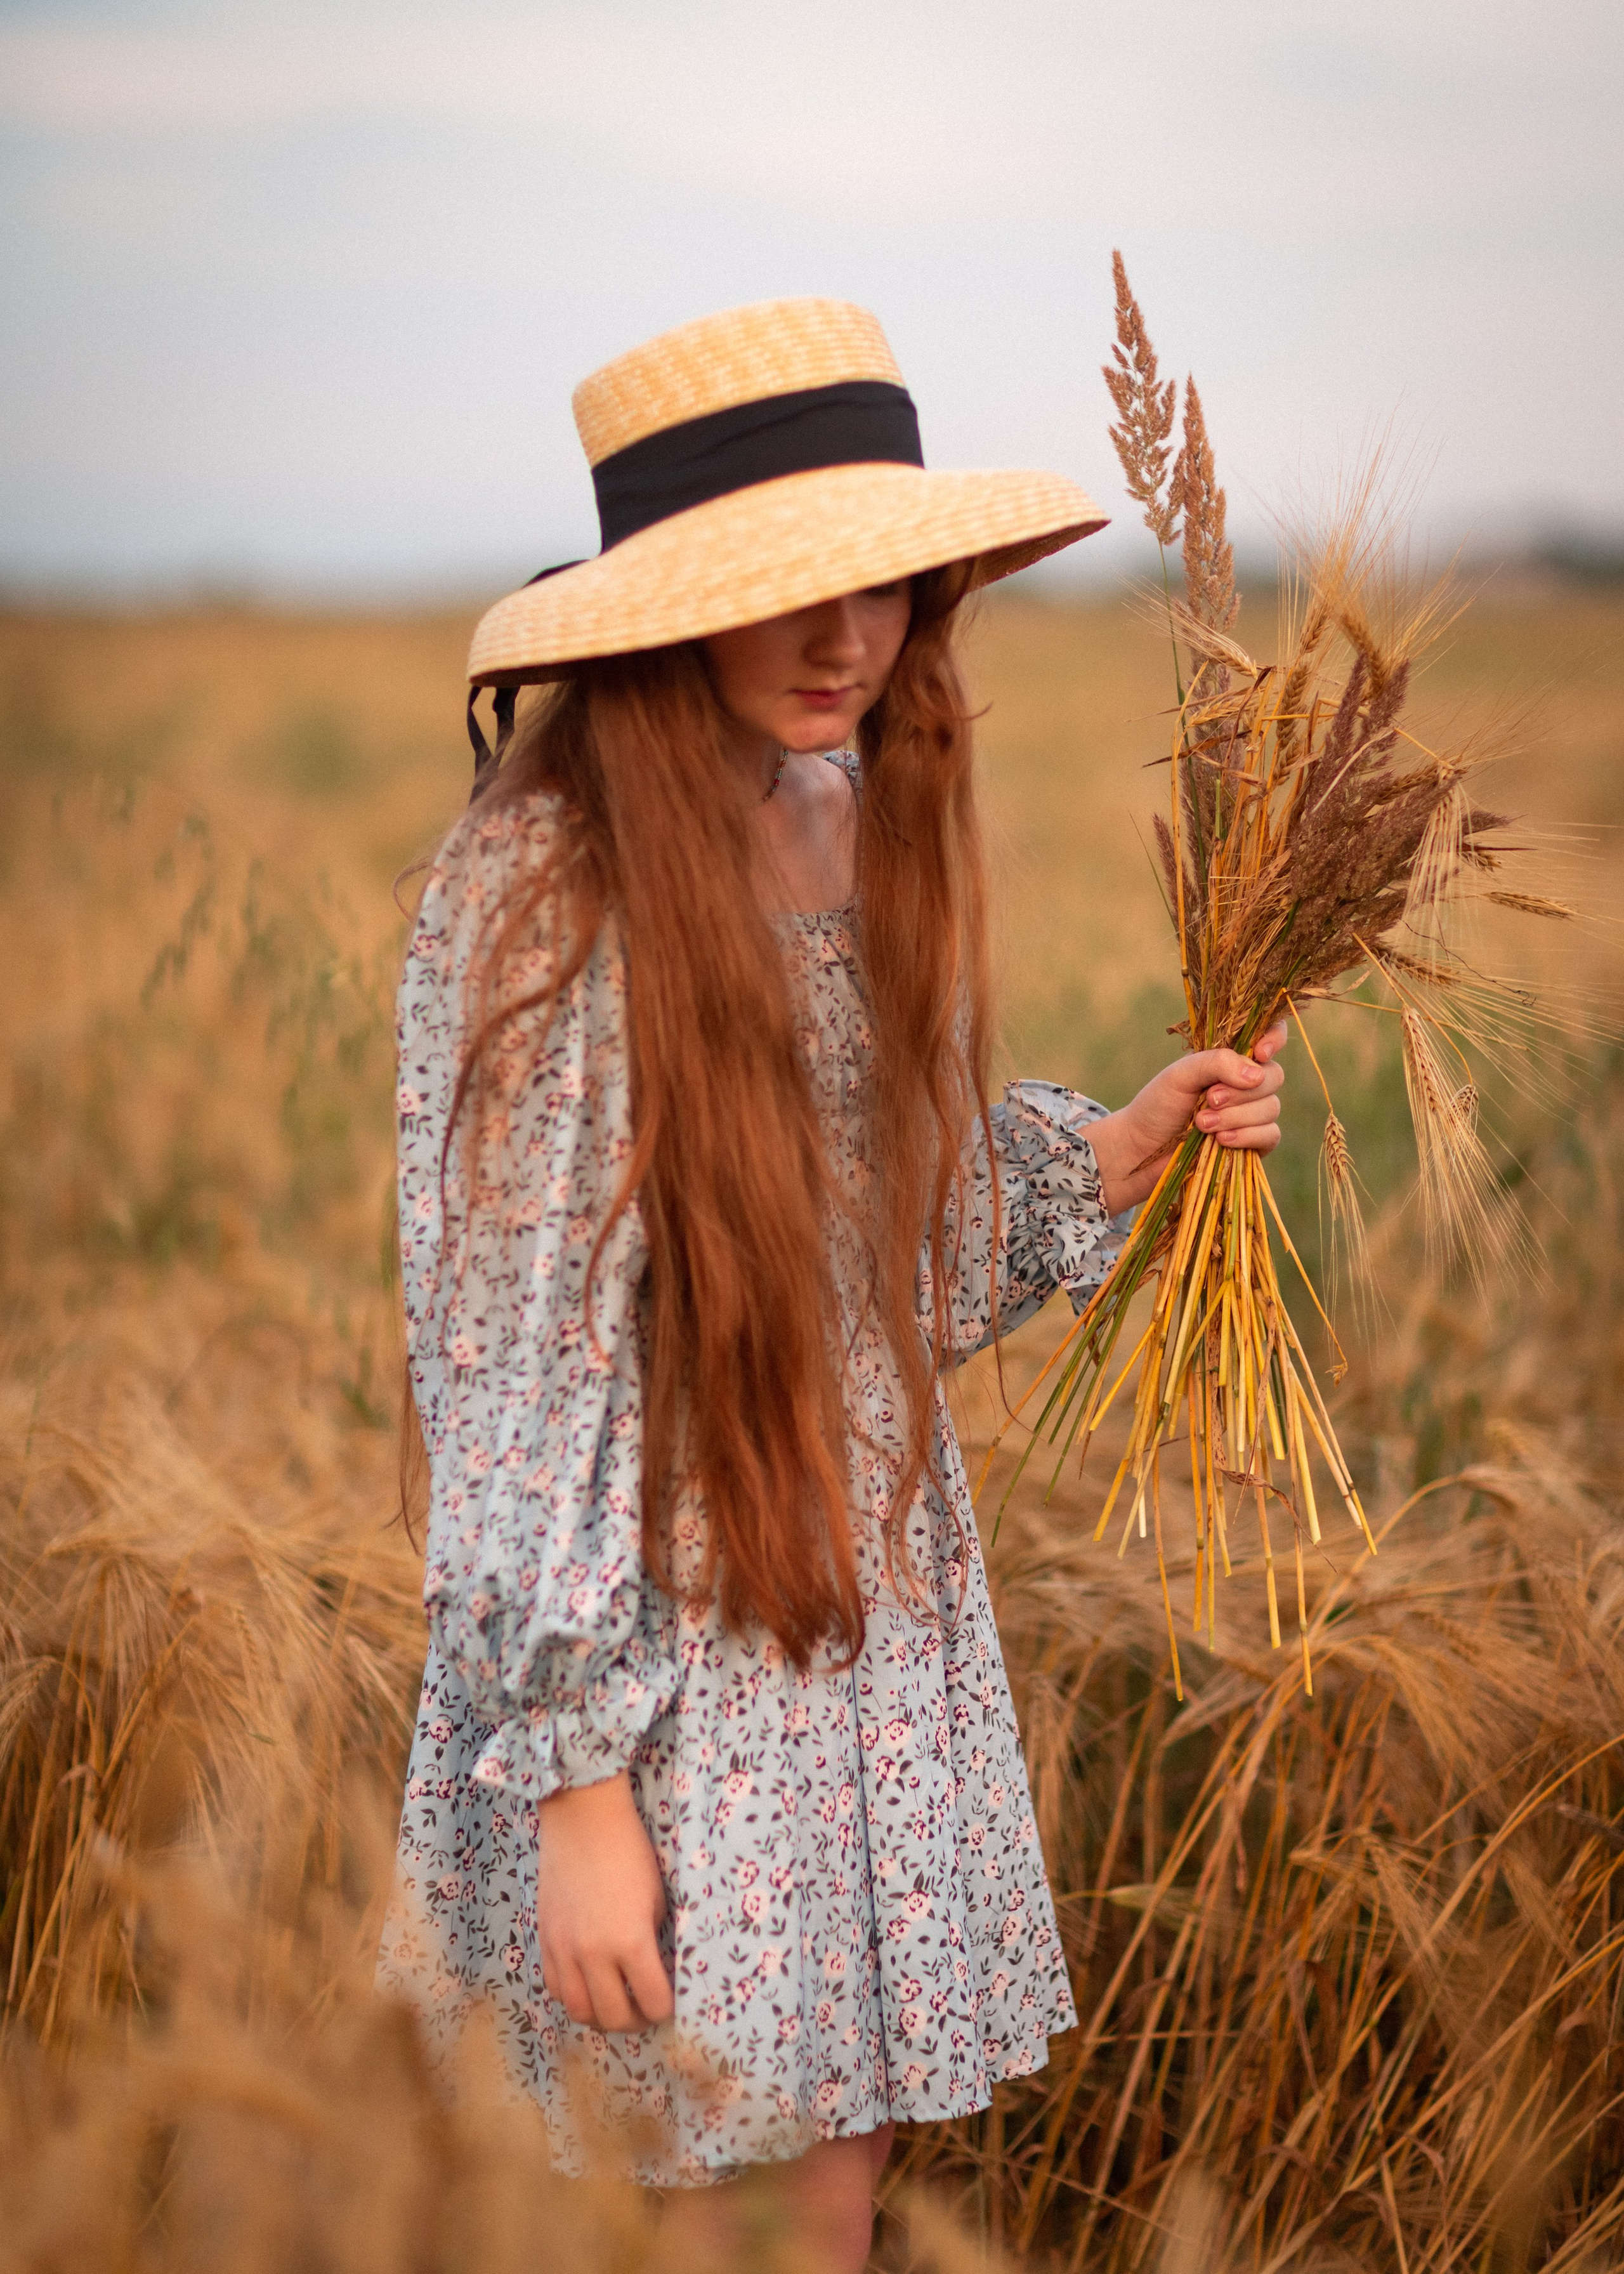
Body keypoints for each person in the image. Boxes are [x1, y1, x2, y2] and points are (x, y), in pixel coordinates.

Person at [379, 298, 1287, 2270]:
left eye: (876, 583)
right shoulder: (542, 886)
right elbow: (514, 1370)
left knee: (833, 2198)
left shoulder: (852, 811)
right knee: (675, 2203)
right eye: (785, 592)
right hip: (651, 1642)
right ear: (656, 606)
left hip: (856, 1612)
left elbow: (902, 1265)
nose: (844, 640)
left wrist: (1118, 1146)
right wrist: (576, 1789)